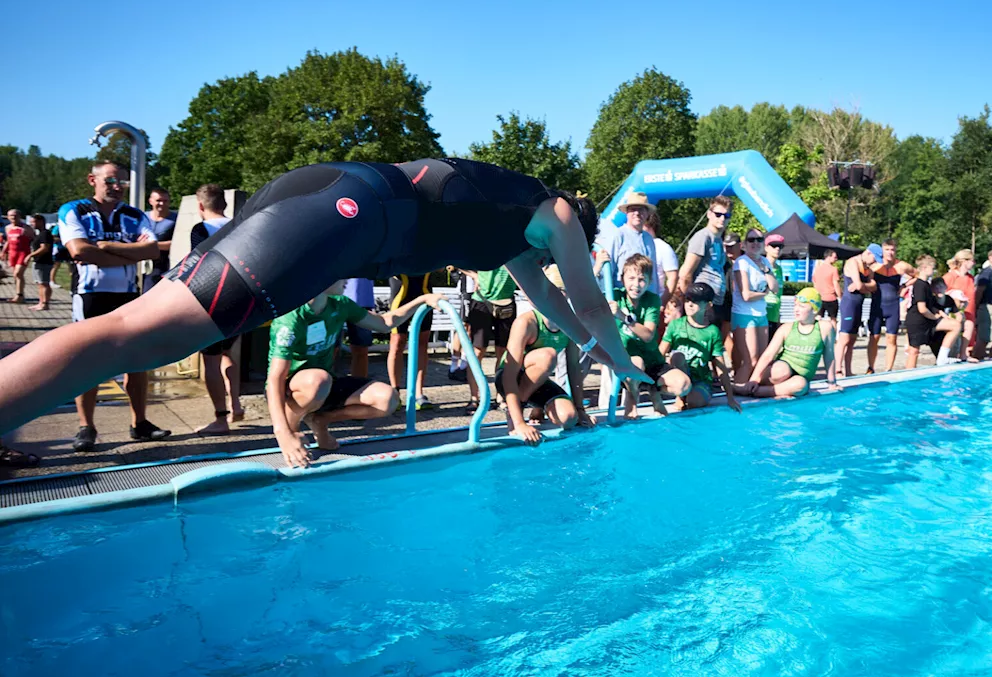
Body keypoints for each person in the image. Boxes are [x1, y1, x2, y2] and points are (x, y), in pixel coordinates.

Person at [0, 157, 650, 437]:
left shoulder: (512, 226)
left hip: (326, 201)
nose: (549, 265)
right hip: (342, 216)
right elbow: (587, 303)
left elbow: (559, 311)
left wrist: (600, 353)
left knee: (143, 334)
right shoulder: (558, 214)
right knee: (140, 336)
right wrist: (625, 367)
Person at [55, 162, 170, 452]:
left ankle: (140, 423)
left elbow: (152, 251)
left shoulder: (133, 215)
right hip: (90, 296)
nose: (117, 186)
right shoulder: (74, 210)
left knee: (137, 361)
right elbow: (79, 250)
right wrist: (128, 255)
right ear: (92, 180)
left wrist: (105, 248)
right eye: (110, 180)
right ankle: (86, 427)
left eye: (121, 182)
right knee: (88, 363)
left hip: (128, 297)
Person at [268, 280, 441, 467]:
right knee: (318, 380)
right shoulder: (291, 318)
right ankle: (292, 433)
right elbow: (275, 379)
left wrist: (422, 299)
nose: (347, 280)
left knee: (388, 399)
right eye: (340, 276)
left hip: (324, 385)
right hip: (291, 390)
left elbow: (384, 323)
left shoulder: (341, 304)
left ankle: (320, 420)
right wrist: (283, 433)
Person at [498, 266, 595, 445]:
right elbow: (509, 374)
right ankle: (512, 410)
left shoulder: (569, 324)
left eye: (562, 294)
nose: (557, 299)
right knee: (548, 355)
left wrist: (581, 410)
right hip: (509, 379)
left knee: (569, 417)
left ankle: (533, 406)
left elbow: (573, 368)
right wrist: (519, 423)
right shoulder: (526, 323)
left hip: (538, 381)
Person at [188, 185, 245, 435]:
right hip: (241, 298)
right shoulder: (239, 225)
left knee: (210, 359)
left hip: (213, 299)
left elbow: (200, 263)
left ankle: (220, 419)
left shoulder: (200, 230)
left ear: (200, 206)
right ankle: (236, 405)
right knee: (228, 353)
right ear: (225, 204)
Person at [611, 254, 684, 418]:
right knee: (637, 362)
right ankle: (632, 403)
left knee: (682, 385)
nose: (636, 285)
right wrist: (598, 266)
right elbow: (589, 290)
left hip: (653, 362)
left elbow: (648, 335)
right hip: (628, 362)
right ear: (622, 279)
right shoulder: (615, 296)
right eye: (631, 278)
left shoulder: (652, 300)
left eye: (641, 280)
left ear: (649, 282)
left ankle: (654, 390)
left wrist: (623, 317)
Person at [736, 287, 837, 398]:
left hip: (798, 379)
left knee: (801, 385)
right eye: (795, 305)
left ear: (814, 309)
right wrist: (754, 380)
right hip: (779, 371)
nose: (796, 309)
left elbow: (829, 356)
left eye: (801, 306)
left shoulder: (824, 328)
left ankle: (756, 392)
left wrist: (832, 382)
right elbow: (768, 355)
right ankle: (751, 387)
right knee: (782, 371)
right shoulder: (787, 328)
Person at [660, 282, 740, 413]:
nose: (690, 304)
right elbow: (660, 353)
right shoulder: (675, 325)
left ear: (708, 305)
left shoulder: (712, 332)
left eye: (696, 301)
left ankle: (688, 396)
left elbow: (720, 367)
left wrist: (730, 398)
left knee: (694, 402)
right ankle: (681, 396)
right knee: (678, 356)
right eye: (688, 300)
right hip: (679, 379)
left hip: (701, 382)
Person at [459, 266, 518, 412]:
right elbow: (456, 260)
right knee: (478, 351)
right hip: (481, 300)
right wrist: (474, 275)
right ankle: (474, 398)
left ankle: (501, 396)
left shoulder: (516, 245)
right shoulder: (482, 243)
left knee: (504, 353)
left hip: (507, 302)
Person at [730, 227, 777, 383]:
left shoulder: (764, 262)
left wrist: (765, 270)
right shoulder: (741, 262)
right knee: (751, 361)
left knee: (762, 361)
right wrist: (764, 293)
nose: (755, 243)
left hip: (761, 315)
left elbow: (775, 288)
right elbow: (746, 295)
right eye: (751, 240)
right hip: (744, 315)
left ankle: (751, 389)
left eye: (759, 239)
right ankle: (735, 392)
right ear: (744, 244)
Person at [677, 196, 731, 326]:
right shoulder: (703, 237)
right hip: (702, 304)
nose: (722, 218)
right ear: (709, 214)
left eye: (726, 215)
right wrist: (692, 301)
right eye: (718, 214)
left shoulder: (717, 239)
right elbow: (685, 273)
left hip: (715, 303)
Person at [904, 256, 962, 369]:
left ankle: (942, 358)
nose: (934, 270)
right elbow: (922, 308)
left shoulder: (926, 284)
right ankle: (909, 375)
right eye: (933, 268)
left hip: (924, 320)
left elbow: (930, 305)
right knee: (914, 351)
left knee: (955, 325)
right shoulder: (920, 284)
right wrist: (934, 317)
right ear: (925, 268)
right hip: (917, 321)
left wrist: (940, 314)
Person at [387, 273, 435, 410]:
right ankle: (395, 393)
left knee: (422, 342)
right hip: (401, 291)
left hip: (424, 288)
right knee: (397, 342)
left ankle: (418, 393)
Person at [594, 191, 657, 294]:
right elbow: (607, 270)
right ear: (627, 213)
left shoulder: (649, 239)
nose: (637, 213)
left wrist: (655, 298)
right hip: (621, 297)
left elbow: (653, 274)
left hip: (645, 299)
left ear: (647, 214)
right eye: (633, 209)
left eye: (641, 209)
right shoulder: (618, 235)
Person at [865, 239, 912, 373]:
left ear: (895, 251)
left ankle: (888, 369)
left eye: (892, 250)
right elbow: (868, 279)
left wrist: (904, 286)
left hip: (893, 306)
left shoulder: (901, 266)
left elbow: (916, 275)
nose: (890, 252)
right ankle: (871, 367)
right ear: (882, 251)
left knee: (892, 338)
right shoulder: (875, 266)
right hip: (877, 306)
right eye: (887, 250)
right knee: (874, 337)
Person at [836, 245, 876, 377]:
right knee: (844, 338)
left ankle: (848, 370)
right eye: (874, 259)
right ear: (868, 253)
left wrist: (863, 287)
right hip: (849, 304)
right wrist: (865, 287)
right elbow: (860, 285)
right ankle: (838, 370)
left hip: (859, 305)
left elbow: (873, 287)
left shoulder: (868, 267)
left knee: (852, 339)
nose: (874, 263)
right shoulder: (853, 262)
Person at [942, 249, 977, 360]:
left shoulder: (970, 278)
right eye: (973, 260)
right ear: (964, 261)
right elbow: (940, 293)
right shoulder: (950, 276)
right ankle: (947, 356)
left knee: (969, 326)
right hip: (954, 312)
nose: (974, 263)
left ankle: (963, 354)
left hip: (968, 312)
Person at [142, 187, 177, 293]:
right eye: (158, 200)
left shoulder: (176, 219)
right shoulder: (142, 217)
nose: (162, 203)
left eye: (165, 201)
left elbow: (177, 243)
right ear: (151, 201)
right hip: (142, 265)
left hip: (164, 266)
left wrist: (152, 245)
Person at [643, 209, 680, 308]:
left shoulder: (663, 247)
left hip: (654, 301)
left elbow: (673, 277)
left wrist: (661, 302)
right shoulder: (634, 243)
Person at [342, 278, 376, 377]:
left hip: (362, 299)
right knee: (329, 350)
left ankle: (358, 387)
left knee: (361, 350)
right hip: (330, 300)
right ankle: (328, 389)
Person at [4, 209, 34, 303]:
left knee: (18, 273)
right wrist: (3, 252)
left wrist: (33, 253)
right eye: (11, 216)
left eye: (15, 215)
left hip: (23, 253)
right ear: (8, 217)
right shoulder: (8, 228)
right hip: (12, 253)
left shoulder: (26, 228)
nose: (13, 217)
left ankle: (19, 295)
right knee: (15, 275)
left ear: (20, 216)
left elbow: (34, 240)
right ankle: (19, 294)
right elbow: (8, 241)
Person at [27, 215, 55, 311]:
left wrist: (30, 255)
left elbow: (44, 248)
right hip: (38, 261)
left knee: (44, 283)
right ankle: (41, 302)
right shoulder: (39, 234)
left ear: (41, 221)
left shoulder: (45, 234)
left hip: (44, 262)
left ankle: (45, 303)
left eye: (33, 222)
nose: (31, 224)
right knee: (40, 283)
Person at [763, 234, 785, 339]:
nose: (777, 248)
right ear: (766, 247)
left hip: (774, 316)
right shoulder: (761, 266)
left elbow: (778, 295)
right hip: (763, 315)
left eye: (780, 246)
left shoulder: (779, 269)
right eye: (774, 245)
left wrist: (778, 317)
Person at [812, 249, 841, 321]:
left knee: (818, 318)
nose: (836, 259)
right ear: (828, 257)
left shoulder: (817, 269)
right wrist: (840, 296)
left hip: (819, 297)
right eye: (835, 257)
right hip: (831, 298)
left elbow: (814, 282)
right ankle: (833, 332)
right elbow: (836, 285)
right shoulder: (833, 269)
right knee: (833, 319)